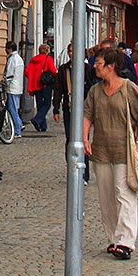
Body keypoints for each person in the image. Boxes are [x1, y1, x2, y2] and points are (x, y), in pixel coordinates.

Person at [83, 47, 138, 261]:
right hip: (101, 149)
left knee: (124, 194)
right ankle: (113, 238)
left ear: (111, 67)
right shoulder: (95, 90)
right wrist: (85, 138)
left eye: (99, 63)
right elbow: (87, 114)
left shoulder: (128, 88)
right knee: (106, 197)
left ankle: (126, 241)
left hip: (124, 150)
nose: (95, 66)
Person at [52, 42, 91, 182]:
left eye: (73, 51)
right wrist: (55, 109)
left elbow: (92, 89)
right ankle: (72, 170)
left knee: (83, 139)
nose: (71, 53)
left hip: (85, 111)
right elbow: (58, 90)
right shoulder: (63, 70)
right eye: (69, 51)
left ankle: (84, 173)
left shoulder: (87, 69)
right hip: (69, 109)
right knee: (70, 140)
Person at [24, 43, 57, 132]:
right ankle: (37, 119)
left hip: (36, 85)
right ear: (47, 51)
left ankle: (43, 126)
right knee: (47, 104)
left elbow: (27, 72)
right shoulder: (48, 59)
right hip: (45, 85)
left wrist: (34, 77)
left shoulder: (33, 60)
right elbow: (53, 71)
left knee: (40, 104)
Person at [2, 40, 25, 138]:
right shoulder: (19, 59)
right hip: (19, 86)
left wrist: (4, 82)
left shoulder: (12, 59)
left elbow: (10, 74)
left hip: (12, 87)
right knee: (15, 107)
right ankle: (19, 124)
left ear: (9, 49)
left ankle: (17, 129)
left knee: (12, 109)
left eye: (6, 49)